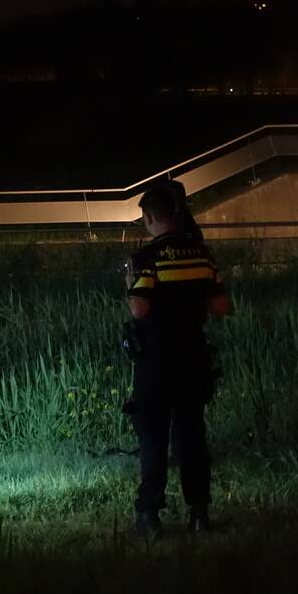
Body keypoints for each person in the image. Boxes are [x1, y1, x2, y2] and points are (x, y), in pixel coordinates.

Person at [122, 185, 231, 537]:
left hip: (156, 361)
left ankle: (149, 516)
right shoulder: (202, 254)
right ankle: (199, 514)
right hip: (194, 356)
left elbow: (139, 309)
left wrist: (130, 284)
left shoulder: (147, 257)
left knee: (153, 437)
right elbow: (221, 307)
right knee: (192, 436)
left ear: (150, 218)